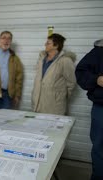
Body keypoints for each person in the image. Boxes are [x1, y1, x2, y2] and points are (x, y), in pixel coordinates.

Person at [75, 39, 103, 180]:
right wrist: (97, 79)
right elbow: (80, 72)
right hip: (101, 108)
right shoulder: (99, 50)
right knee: (100, 148)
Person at [31, 33, 76, 115]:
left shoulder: (65, 61)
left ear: (56, 46)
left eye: (48, 43)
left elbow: (72, 82)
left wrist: (61, 96)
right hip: (38, 103)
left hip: (54, 106)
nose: (45, 44)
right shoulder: (41, 58)